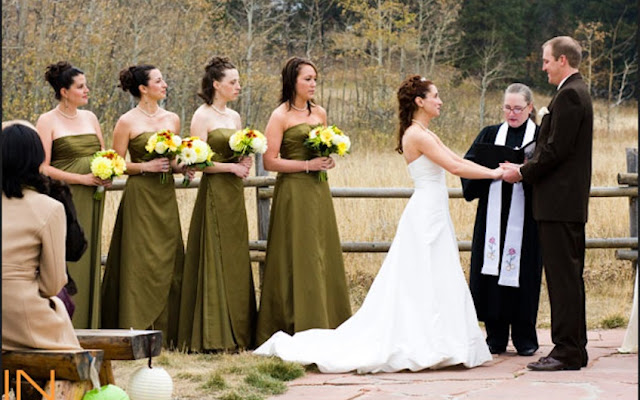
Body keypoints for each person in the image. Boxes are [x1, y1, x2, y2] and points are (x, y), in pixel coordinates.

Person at [254, 75, 501, 373]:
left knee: (437, 272)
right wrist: (497, 175)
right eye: (435, 96)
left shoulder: (424, 131)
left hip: (434, 210)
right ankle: (426, 341)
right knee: (421, 274)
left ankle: (442, 340)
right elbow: (456, 167)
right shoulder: (417, 134)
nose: (440, 101)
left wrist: (493, 170)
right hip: (425, 212)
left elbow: (457, 159)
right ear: (420, 101)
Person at [502, 36, 593, 371]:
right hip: (563, 204)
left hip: (559, 204)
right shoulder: (573, 91)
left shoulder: (570, 95)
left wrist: (523, 173)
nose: (543, 67)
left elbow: (555, 150)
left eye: (546, 61)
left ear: (562, 61)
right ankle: (574, 348)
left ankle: (567, 350)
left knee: (562, 278)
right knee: (568, 277)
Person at [255, 57, 352, 346]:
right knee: (296, 251)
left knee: (320, 251)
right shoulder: (280, 115)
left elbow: (321, 149)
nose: (313, 84)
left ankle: (325, 319)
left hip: (318, 191)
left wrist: (327, 160)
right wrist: (307, 166)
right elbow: (270, 161)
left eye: (315, 79)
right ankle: (292, 321)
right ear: (292, 81)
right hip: (294, 191)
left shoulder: (319, 113)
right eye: (307, 79)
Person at [101, 65, 187, 347]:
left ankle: (170, 330)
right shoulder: (127, 121)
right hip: (140, 196)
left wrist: (184, 166)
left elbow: (173, 160)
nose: (165, 84)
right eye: (159, 80)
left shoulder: (172, 119)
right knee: (139, 259)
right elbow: (116, 163)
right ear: (143, 88)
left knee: (168, 256)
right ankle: (135, 325)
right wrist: (144, 166)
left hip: (165, 196)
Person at [177, 56, 257, 352]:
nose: (238, 86)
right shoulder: (202, 116)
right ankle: (213, 333)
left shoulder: (234, 117)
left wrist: (243, 161)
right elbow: (197, 162)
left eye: (238, 81)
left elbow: (234, 155)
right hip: (214, 192)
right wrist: (230, 168)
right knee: (214, 253)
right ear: (216, 85)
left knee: (235, 255)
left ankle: (238, 330)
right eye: (232, 82)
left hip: (234, 194)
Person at [461, 83, 542, 357]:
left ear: (530, 108)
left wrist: (523, 171)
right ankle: (495, 337)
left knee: (525, 275)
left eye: (518, 108)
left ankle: (525, 338)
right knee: (491, 275)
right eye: (507, 107)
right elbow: (468, 166)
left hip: (527, 218)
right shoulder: (490, 134)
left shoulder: (539, 137)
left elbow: (549, 171)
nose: (512, 113)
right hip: (493, 216)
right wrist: (492, 172)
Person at [35, 61, 109, 329]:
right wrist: (81, 179)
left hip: (93, 197)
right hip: (65, 199)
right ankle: (66, 322)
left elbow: (103, 153)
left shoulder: (90, 118)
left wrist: (108, 171)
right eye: (80, 86)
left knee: (90, 253)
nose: (86, 90)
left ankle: (91, 323)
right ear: (64, 91)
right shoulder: (47, 120)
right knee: (67, 255)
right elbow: (43, 166)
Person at [2, 120, 81, 351]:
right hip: (21, 318)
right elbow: (52, 283)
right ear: (36, 159)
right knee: (75, 359)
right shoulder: (49, 208)